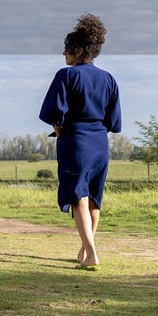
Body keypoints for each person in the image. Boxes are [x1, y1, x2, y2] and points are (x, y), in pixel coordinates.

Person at [38, 14, 121, 270]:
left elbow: (53, 113)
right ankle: (85, 251)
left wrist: (62, 133)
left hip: (75, 140)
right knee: (94, 197)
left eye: (68, 48)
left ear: (80, 50)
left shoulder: (66, 76)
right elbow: (113, 121)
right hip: (100, 143)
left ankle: (92, 254)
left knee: (78, 197)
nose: (64, 53)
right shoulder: (108, 79)